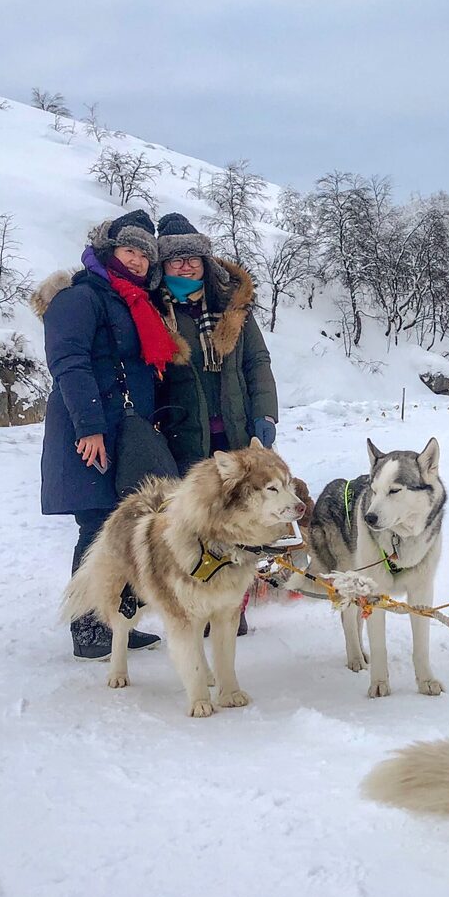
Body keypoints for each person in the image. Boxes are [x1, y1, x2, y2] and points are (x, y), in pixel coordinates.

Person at [34, 209, 181, 659]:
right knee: (97, 526)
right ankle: (90, 627)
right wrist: (90, 427)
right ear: (107, 250)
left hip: (124, 430)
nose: (137, 260)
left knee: (123, 527)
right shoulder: (80, 298)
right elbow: (69, 363)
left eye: (143, 253)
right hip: (91, 429)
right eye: (128, 249)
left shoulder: (130, 301)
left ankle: (115, 617)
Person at [153, 214, 280, 634]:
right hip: (185, 432)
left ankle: (232, 608)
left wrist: (265, 414)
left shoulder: (232, 307)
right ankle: (197, 606)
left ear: (205, 261)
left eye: (192, 258)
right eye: (175, 261)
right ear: (164, 267)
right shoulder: (155, 311)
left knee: (243, 518)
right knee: (199, 521)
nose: (185, 266)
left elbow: (256, 362)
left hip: (236, 432)